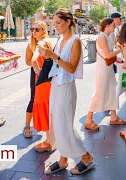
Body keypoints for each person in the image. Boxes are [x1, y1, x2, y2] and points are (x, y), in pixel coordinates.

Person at [38, 8, 94, 175]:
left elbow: (71, 68)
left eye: (58, 23)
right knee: (57, 123)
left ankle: (86, 157)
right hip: (56, 84)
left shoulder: (75, 41)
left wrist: (53, 56)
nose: (55, 26)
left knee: (65, 126)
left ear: (68, 22)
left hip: (67, 87)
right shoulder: (60, 38)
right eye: (54, 23)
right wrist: (46, 54)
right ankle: (63, 159)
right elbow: (57, 64)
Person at [85, 18, 124, 132]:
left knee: (112, 91)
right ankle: (88, 119)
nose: (114, 27)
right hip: (103, 70)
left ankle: (113, 116)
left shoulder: (106, 36)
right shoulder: (102, 37)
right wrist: (120, 50)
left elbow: (108, 55)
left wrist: (117, 57)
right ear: (107, 26)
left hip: (107, 69)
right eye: (113, 25)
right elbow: (107, 55)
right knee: (99, 93)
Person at [24, 21, 54, 152]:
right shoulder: (32, 44)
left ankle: (48, 134)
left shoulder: (43, 42)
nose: (34, 31)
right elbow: (28, 61)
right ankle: (27, 126)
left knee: (43, 102)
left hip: (42, 74)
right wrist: (37, 70)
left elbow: (33, 59)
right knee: (36, 99)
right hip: (40, 74)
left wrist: (39, 70)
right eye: (32, 29)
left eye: (37, 29)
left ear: (43, 30)